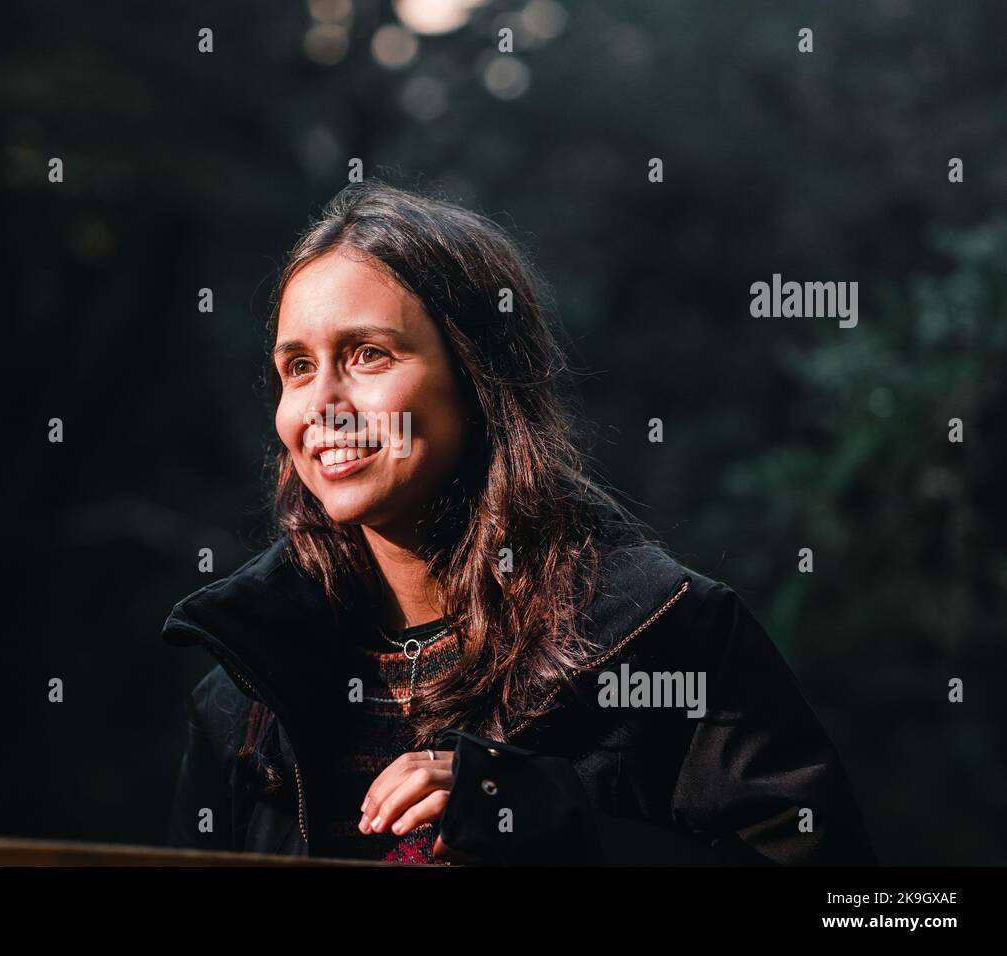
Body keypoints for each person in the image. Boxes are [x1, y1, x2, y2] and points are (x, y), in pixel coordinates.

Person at [162, 180, 876, 866]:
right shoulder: (245, 693)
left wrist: (549, 821)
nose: (322, 403)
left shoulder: (664, 635)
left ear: (479, 377)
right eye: (296, 367)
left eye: (368, 354)